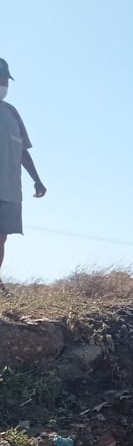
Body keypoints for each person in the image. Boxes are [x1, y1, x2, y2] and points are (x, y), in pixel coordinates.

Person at [0, 57, 47, 288]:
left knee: (1, 237)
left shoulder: (12, 113)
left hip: (9, 190)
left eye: (4, 80)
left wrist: (37, 180)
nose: (3, 84)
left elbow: (22, 151)